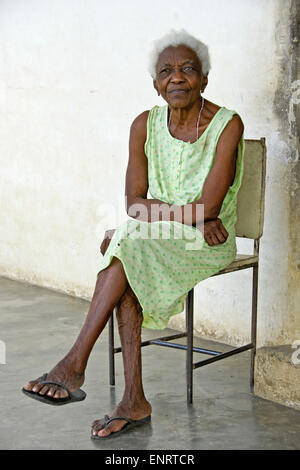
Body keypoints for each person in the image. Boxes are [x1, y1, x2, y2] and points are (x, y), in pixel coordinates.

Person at [22, 29, 245, 438]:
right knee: (129, 240)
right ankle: (130, 399)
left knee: (124, 241)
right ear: (156, 85)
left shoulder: (227, 124)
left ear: (205, 79)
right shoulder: (144, 124)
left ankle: (77, 364)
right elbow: (134, 204)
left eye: (188, 69)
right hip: (161, 234)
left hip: (207, 241)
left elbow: (211, 210)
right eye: (166, 71)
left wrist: (191, 216)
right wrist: (191, 215)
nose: (176, 78)